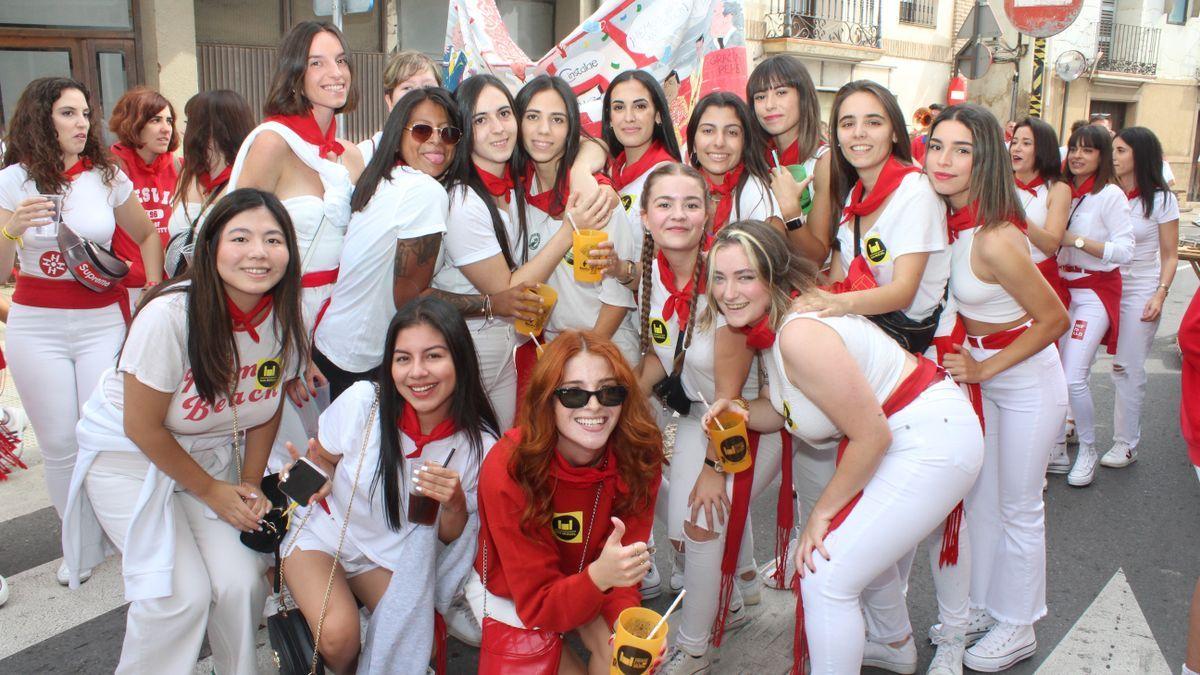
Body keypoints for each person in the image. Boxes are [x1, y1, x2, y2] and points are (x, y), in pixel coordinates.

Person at [703, 220, 983, 674]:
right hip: (913, 432)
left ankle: (887, 643)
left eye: (744, 276)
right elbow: (787, 412)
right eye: (718, 277)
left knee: (824, 574)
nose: (728, 291)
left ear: (773, 276)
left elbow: (871, 436)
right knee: (845, 559)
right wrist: (733, 408)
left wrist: (820, 515)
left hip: (931, 437)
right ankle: (893, 645)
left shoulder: (798, 333)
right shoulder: (778, 326)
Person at [61, 188, 308, 674]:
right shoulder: (170, 315)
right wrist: (214, 491)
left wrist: (248, 485)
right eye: (241, 237)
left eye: (273, 239)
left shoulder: (283, 316)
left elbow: (267, 407)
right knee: (177, 596)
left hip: (212, 460)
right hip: (130, 461)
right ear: (211, 246)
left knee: (242, 583)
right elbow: (141, 426)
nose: (258, 252)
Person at [925, 103, 1070, 672]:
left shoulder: (995, 236)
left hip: (1026, 377)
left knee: (1019, 506)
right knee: (983, 502)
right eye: (937, 145)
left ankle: (1020, 624)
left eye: (962, 149)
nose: (945, 159)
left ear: (983, 159)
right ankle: (985, 606)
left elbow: (1055, 319)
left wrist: (985, 369)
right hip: (984, 374)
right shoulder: (949, 220)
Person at [0, 77, 162, 585]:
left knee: (103, 434)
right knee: (58, 443)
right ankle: (76, 544)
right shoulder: (11, 181)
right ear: (40, 119)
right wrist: (11, 230)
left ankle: (116, 531)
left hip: (100, 321)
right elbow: (2, 270)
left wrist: (154, 292)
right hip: (35, 324)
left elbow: (147, 233)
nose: (81, 124)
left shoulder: (106, 176)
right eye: (68, 114)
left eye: (85, 114)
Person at [281, 297, 499, 673]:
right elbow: (326, 462)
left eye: (433, 356)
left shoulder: (479, 445)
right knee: (339, 638)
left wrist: (455, 504)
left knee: (417, 646)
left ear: (460, 359)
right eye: (403, 359)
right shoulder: (364, 402)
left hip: (385, 557)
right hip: (327, 533)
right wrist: (311, 476)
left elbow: (451, 537)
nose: (417, 372)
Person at [632, 164, 787, 673]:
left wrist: (713, 472)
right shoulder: (651, 274)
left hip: (753, 424)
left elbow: (730, 401)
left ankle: (694, 648)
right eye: (664, 204)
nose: (678, 214)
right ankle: (739, 592)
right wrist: (621, 406)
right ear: (645, 215)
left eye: (691, 204)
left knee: (700, 521)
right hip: (703, 418)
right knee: (680, 533)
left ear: (709, 212)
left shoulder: (724, 283)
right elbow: (663, 353)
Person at [467, 329, 663, 675]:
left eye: (609, 391)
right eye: (573, 394)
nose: (594, 405)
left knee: (626, 661)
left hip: (590, 576)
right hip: (518, 593)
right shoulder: (509, 467)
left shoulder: (639, 453)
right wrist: (601, 575)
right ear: (547, 400)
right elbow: (538, 602)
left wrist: (624, 625)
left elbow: (623, 569)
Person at [229, 20, 365, 468]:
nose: (335, 72)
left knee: (339, 453)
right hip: (283, 315)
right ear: (295, 73)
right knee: (285, 460)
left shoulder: (350, 155)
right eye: (317, 62)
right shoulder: (272, 142)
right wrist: (284, 349)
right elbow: (235, 247)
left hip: (342, 320)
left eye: (341, 60)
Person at [430, 73, 589, 429]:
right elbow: (504, 290)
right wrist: (568, 232)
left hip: (504, 345)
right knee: (466, 450)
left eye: (504, 114)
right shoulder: (463, 201)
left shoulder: (515, 179)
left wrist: (584, 170)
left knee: (497, 448)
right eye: (480, 120)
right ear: (464, 130)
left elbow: (589, 143)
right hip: (468, 345)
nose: (498, 128)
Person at [313, 87, 459, 400]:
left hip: (332, 347)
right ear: (397, 132)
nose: (436, 140)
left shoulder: (384, 179)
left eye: (448, 133)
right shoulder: (424, 191)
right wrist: (493, 304)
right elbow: (411, 297)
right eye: (422, 130)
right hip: (360, 362)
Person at [513, 75, 640, 364]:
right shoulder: (517, 195)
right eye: (533, 117)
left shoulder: (597, 198)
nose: (543, 130)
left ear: (572, 129)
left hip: (606, 346)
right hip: (553, 348)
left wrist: (584, 356)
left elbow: (617, 296)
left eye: (557, 120)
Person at [1056, 125, 1134, 487]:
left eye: (1087, 150)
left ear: (1101, 156)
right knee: (1053, 374)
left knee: (1073, 375)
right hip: (1057, 290)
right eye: (1074, 148)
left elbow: (1125, 251)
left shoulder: (1111, 195)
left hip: (1093, 292)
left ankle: (1087, 448)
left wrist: (1080, 241)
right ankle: (1056, 443)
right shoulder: (1060, 191)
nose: (1077, 155)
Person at [1105, 127, 1179, 468]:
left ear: (1139, 155)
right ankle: (1068, 427)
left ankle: (1126, 442)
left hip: (1140, 291)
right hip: (1101, 287)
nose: (1114, 156)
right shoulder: (1106, 193)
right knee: (1074, 361)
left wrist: (1160, 294)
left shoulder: (1162, 199)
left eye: (1120, 150)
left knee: (1127, 367)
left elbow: (1170, 254)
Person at [748, 54, 833, 263]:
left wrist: (791, 214)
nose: (769, 105)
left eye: (781, 92)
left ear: (803, 97)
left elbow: (817, 256)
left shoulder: (824, 161)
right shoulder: (752, 158)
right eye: (760, 97)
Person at [165, 90, 255, 275]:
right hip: (181, 287)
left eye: (190, 123)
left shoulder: (247, 180)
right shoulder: (188, 173)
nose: (183, 131)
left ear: (213, 129)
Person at [108, 86, 180, 298]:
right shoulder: (111, 169)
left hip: (172, 283)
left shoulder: (179, 167)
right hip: (125, 285)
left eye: (169, 121)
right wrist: (124, 265)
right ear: (132, 123)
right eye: (155, 120)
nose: (166, 129)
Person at [601, 69, 682, 245]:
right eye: (619, 107)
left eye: (640, 106)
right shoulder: (608, 171)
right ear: (609, 118)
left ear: (658, 115)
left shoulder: (669, 177)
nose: (629, 117)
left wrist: (625, 270)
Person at [687, 92, 783, 237]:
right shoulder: (683, 187)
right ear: (693, 142)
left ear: (745, 143)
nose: (719, 142)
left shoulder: (756, 195)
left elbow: (773, 256)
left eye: (732, 132)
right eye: (708, 131)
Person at [358, 50, 443, 165]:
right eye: (407, 88)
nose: (420, 94)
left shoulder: (451, 145)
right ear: (389, 101)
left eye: (428, 86)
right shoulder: (365, 155)